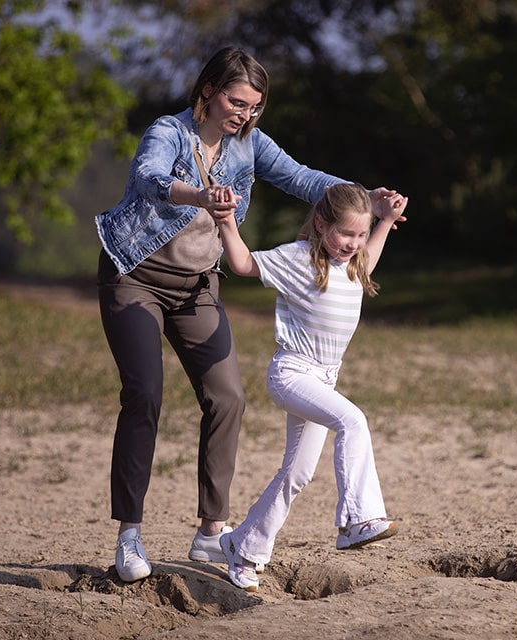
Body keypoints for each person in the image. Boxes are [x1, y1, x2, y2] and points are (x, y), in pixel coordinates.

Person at [95, 47, 402, 583]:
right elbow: (148, 178)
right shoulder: (168, 131)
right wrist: (201, 195)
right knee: (144, 394)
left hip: (197, 285)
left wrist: (362, 199)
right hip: (135, 275)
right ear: (209, 91)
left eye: (255, 107)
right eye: (237, 102)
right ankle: (130, 534)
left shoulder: (249, 144)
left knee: (227, 397)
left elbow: (305, 180)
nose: (245, 115)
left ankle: (211, 534)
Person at [210, 182, 408, 592]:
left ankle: (242, 547)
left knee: (296, 474)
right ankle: (358, 520)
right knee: (352, 419)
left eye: (359, 234)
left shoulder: (353, 264)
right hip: (293, 374)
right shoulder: (299, 259)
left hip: (323, 377)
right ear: (320, 224)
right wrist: (227, 222)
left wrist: (385, 220)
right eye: (345, 234)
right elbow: (245, 264)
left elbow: (368, 260)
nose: (353, 243)